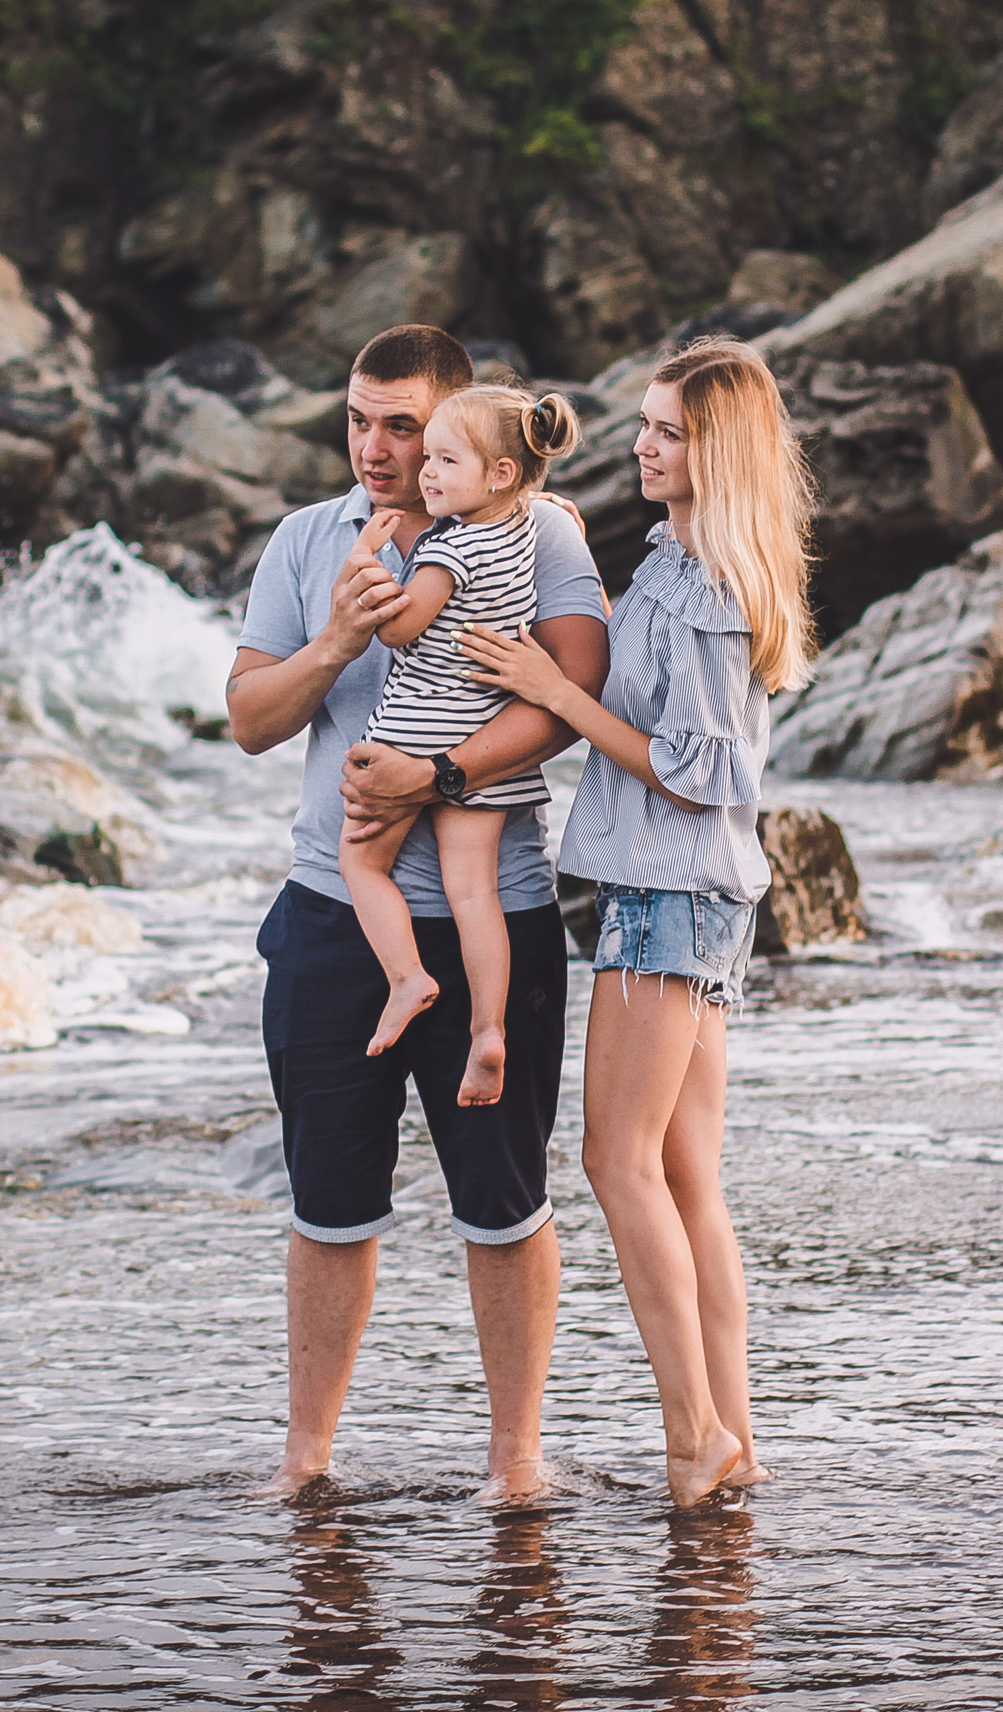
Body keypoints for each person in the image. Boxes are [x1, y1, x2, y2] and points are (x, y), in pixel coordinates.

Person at [226, 324, 610, 1502]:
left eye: (405, 426)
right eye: (358, 419)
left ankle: (515, 1461)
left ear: (468, 431)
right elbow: (248, 716)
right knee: (328, 1201)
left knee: (503, 1199)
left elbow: (573, 689)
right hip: (333, 912)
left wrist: (438, 777)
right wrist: (339, 635)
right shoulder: (307, 541)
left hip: (498, 906)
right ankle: (306, 1460)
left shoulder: (537, 528)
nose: (378, 448)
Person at [459, 336, 814, 1507]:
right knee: (683, 1175)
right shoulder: (678, 559)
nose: (643, 445)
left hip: (669, 895)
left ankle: (692, 1436)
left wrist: (557, 695)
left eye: (666, 431)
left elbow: (691, 767)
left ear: (717, 451)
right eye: (647, 425)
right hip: (689, 895)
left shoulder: (708, 589)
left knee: (616, 1162)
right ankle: (731, 1437)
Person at [340, 386, 583, 1108]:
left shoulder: (451, 546)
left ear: (501, 474)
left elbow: (397, 628)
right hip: (488, 731)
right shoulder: (529, 527)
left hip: (419, 724)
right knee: (475, 891)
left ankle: (407, 976)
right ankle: (487, 1030)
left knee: (359, 860)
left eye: (446, 460)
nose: (426, 474)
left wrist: (367, 556)